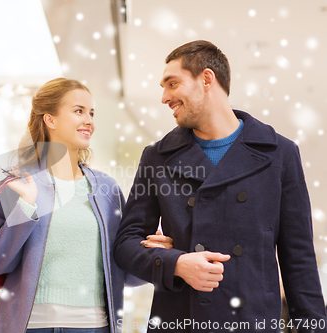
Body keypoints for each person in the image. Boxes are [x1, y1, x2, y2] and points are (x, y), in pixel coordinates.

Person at [114, 40, 327, 332]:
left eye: (172, 83)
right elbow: (125, 244)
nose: (164, 97)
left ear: (206, 79)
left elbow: (298, 260)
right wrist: (175, 263)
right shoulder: (157, 156)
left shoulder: (279, 154)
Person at [0, 78, 172, 333]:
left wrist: (152, 254)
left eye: (91, 113)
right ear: (50, 119)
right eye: (78, 111)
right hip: (32, 327)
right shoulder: (18, 183)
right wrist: (25, 207)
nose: (89, 121)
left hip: (94, 327)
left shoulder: (107, 189)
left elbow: (123, 271)